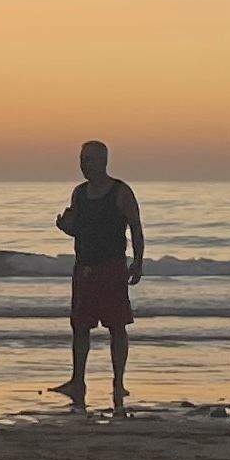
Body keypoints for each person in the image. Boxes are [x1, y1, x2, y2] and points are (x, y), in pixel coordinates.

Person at [54, 139, 145, 409]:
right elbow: (79, 228)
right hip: (84, 267)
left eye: (90, 159)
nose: (84, 164)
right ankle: (77, 380)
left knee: (117, 327)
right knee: (79, 327)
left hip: (112, 267)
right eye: (82, 159)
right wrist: (65, 227)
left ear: (103, 161)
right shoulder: (79, 193)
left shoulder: (120, 191)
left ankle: (118, 383)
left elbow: (136, 228)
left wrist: (138, 262)